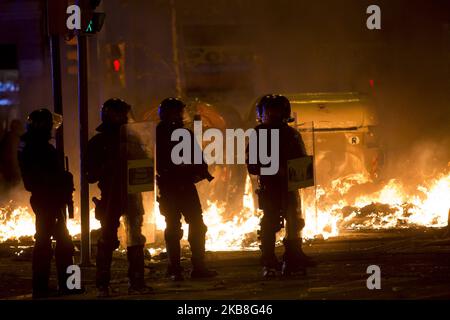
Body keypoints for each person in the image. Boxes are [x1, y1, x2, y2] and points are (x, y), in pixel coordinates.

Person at [87, 98, 152, 297]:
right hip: (110, 195)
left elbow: (144, 163)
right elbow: (90, 174)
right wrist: (111, 163)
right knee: (107, 240)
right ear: (109, 114)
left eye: (124, 114)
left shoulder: (133, 138)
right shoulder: (98, 142)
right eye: (119, 113)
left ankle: (137, 282)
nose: (124, 117)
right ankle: (102, 285)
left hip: (132, 194)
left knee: (136, 239)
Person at [247, 94, 316, 277]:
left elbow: (301, 160)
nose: (272, 115)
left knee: (294, 220)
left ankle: (294, 255)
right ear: (262, 113)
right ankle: (268, 258)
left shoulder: (292, 134)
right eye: (268, 111)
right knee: (269, 223)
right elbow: (252, 165)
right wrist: (273, 169)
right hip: (270, 187)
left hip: (290, 186)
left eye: (276, 111)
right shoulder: (258, 135)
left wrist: (296, 174)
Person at [18, 108, 80, 298]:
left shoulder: (30, 144)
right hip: (49, 199)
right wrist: (62, 181)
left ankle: (43, 287)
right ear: (42, 125)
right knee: (62, 244)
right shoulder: (38, 148)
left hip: (47, 199)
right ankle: (69, 285)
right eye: (49, 125)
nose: (52, 129)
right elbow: (43, 177)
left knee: (47, 242)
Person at [156, 97, 217, 281]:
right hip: (169, 187)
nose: (177, 116)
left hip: (186, 187)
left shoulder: (185, 133)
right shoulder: (157, 134)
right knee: (173, 227)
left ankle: (198, 266)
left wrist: (200, 170)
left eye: (179, 112)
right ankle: (174, 268)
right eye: (174, 112)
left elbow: (197, 156)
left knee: (197, 225)